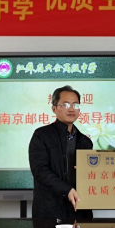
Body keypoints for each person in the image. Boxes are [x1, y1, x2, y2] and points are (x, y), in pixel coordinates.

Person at [29, 85, 94, 219]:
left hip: (79, 210)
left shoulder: (85, 142)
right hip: (49, 211)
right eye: (65, 104)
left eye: (75, 105)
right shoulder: (41, 135)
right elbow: (39, 170)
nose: (71, 109)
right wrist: (67, 189)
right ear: (54, 108)